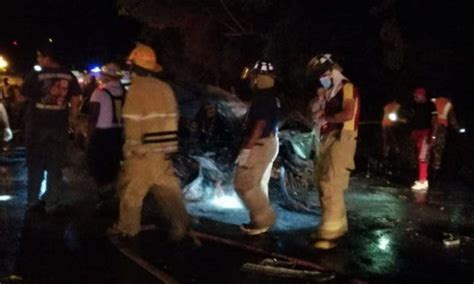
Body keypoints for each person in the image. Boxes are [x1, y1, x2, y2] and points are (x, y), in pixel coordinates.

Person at [109, 43, 189, 240]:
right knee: (169, 191)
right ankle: (181, 225)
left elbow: (132, 122)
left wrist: (130, 149)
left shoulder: (136, 90)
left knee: (132, 193)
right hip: (164, 152)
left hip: (143, 152)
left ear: (133, 67)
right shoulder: (165, 88)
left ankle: (128, 228)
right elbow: (174, 118)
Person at [306, 54, 360, 249]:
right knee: (322, 181)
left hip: (343, 137)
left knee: (331, 182)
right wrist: (320, 106)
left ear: (330, 71)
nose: (321, 80)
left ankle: (331, 232)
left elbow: (348, 113)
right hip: (329, 138)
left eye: (323, 75)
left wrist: (326, 117)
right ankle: (334, 223)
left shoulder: (347, 87)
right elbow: (315, 113)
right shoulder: (330, 91)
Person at [20, 42, 82, 211]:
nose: (38, 60)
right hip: (59, 126)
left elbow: (22, 97)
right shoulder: (69, 75)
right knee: (55, 164)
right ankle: (52, 202)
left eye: (39, 56)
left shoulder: (36, 74)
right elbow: (76, 99)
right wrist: (72, 118)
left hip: (37, 126)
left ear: (47, 57)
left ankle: (33, 200)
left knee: (35, 164)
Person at [234, 60, 280, 235]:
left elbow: (260, 124)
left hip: (259, 143)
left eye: (253, 75)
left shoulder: (262, 97)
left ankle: (264, 219)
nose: (251, 79)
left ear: (260, 77)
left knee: (244, 184)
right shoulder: (272, 96)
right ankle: (260, 222)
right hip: (269, 142)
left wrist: (247, 148)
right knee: (259, 184)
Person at [86, 63, 125, 189]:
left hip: (101, 134)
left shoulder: (99, 93)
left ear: (105, 76)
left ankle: (102, 195)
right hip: (118, 134)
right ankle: (113, 192)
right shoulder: (124, 93)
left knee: (99, 166)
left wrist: (89, 137)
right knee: (113, 165)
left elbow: (93, 118)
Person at [409, 87, 438, 191]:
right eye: (414, 96)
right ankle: (423, 179)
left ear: (422, 95)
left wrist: (433, 136)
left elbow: (435, 121)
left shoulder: (431, 105)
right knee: (419, 155)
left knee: (423, 156)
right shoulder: (415, 105)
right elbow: (414, 119)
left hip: (426, 133)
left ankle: (422, 181)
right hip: (417, 133)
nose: (415, 97)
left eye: (416, 96)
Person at [430, 95, 461, 180]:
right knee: (438, 150)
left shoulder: (434, 100)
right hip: (441, 128)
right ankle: (435, 173)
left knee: (427, 148)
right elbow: (452, 120)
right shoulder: (448, 104)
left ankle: (424, 171)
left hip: (429, 126)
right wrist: (458, 129)